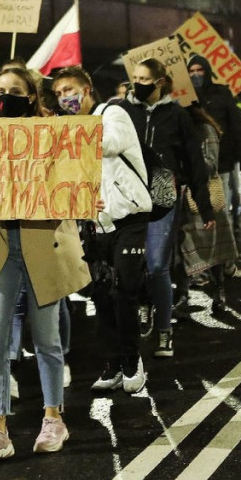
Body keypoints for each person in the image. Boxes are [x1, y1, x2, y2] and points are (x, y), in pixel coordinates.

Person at [0, 67, 91, 463]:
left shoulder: (55, 137)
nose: (5, 97)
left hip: (42, 246)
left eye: (14, 91)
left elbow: (75, 183)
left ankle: (54, 418)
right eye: (0, 90)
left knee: (46, 341)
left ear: (32, 97)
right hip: (0, 247)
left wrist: (85, 198)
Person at [52, 66, 152, 394]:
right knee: (102, 295)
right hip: (96, 223)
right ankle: (111, 362)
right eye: (58, 93)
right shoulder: (70, 128)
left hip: (129, 218)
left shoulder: (113, 113)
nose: (65, 97)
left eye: (69, 89)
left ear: (87, 89)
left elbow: (108, 145)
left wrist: (65, 131)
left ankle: (131, 360)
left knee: (124, 291)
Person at [119, 58, 214, 359]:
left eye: (144, 78)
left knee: (158, 264)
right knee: (132, 264)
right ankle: (141, 314)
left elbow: (194, 162)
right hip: (129, 196)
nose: (138, 83)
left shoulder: (177, 115)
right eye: (134, 77)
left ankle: (164, 330)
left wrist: (205, 205)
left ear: (160, 82)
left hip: (163, 193)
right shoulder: (121, 112)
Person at [179, 104, 238, 312]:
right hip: (179, 196)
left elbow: (210, 164)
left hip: (204, 194)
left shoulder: (204, 129)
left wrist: (185, 159)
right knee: (182, 247)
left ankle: (219, 290)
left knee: (213, 247)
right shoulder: (170, 127)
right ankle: (183, 295)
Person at [186, 55, 241, 233]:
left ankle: (227, 240)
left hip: (222, 160)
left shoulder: (221, 93)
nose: (195, 74)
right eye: (191, 71)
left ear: (207, 71)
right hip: (195, 161)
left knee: (220, 204)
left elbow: (238, 127)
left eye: (199, 70)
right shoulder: (185, 97)